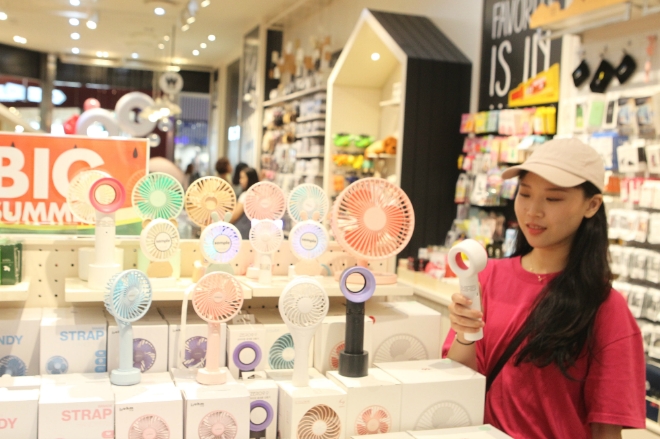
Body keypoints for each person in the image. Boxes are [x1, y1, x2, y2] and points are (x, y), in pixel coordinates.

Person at [446, 138, 645, 439]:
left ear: (592, 205)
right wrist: (464, 333)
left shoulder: (605, 307)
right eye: (525, 193)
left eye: (553, 199)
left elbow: (606, 429)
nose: (533, 211)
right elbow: (460, 385)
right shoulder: (488, 277)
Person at [230, 167, 259, 238]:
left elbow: (234, 217)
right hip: (256, 234)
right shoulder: (260, 195)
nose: (240, 181)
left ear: (250, 179)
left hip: (242, 233)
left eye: (242, 178)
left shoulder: (246, 195)